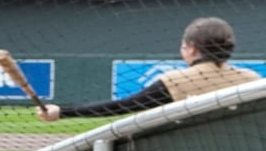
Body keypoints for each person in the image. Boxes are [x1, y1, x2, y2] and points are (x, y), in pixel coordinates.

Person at [39, 15, 262, 120]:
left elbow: (123, 106)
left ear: (192, 49)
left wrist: (64, 111)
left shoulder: (175, 81)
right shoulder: (252, 80)